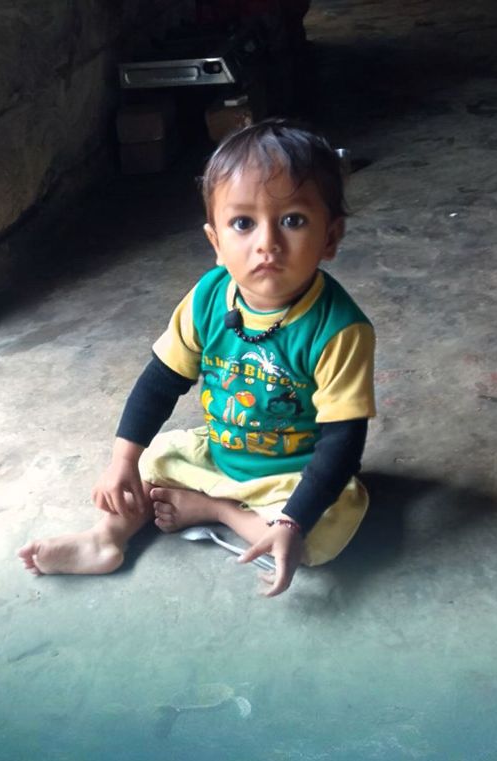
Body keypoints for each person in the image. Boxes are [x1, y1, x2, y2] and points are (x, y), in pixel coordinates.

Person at [19, 119, 376, 597]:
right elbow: (160, 381)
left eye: (292, 220)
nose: (266, 243)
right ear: (216, 243)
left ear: (330, 237)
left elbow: (343, 443)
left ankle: (218, 510)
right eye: (243, 223)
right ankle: (105, 539)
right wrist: (123, 460)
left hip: (292, 475)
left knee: (321, 532)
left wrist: (292, 520)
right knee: (150, 460)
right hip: (218, 452)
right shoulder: (208, 298)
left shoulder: (339, 329)